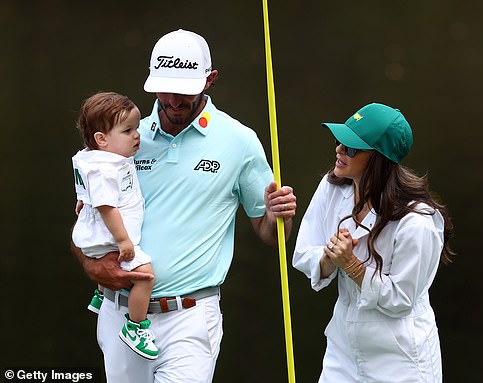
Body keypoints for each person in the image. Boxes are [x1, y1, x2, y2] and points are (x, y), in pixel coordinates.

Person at [71, 29, 297, 382]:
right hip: (121, 315)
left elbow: (270, 235)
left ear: (210, 80)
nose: (173, 100)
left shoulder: (239, 140)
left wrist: (276, 215)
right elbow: (86, 223)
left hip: (190, 318)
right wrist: (89, 264)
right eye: (165, 88)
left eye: (185, 91)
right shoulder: (123, 139)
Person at [292, 103, 455, 382]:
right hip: (342, 354)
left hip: (401, 361)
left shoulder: (418, 221)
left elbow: (400, 300)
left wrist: (352, 265)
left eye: (352, 148)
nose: (339, 151)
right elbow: (304, 253)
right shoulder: (332, 187)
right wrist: (329, 258)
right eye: (339, 141)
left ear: (379, 159)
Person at [72, 91, 158, 360]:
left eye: (137, 127)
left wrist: (82, 199)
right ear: (102, 139)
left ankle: (100, 294)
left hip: (93, 235)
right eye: (128, 130)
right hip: (109, 239)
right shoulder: (106, 169)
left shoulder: (94, 157)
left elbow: (86, 190)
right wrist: (124, 241)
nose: (136, 135)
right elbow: (107, 207)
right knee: (145, 276)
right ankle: (135, 326)